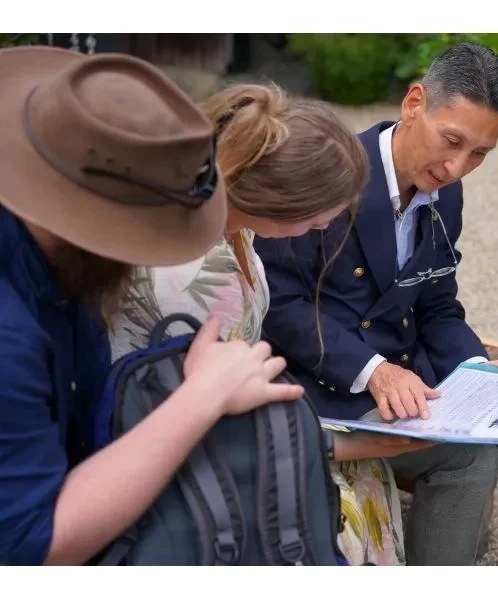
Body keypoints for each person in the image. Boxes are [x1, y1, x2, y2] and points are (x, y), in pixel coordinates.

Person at [254, 42, 498, 565]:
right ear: (414, 103)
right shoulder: (329, 168)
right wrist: (374, 371)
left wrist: (478, 367)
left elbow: (438, 304)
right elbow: (278, 303)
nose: (458, 167)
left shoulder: (446, 191)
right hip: (331, 391)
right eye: (453, 141)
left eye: (480, 153)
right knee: (470, 456)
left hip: (414, 379)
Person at [0, 46, 306, 566]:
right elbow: (31, 547)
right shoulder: (10, 333)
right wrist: (201, 396)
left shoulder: (62, 266)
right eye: (154, 232)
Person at [107, 81, 424, 566]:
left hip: (207, 415)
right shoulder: (202, 275)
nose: (330, 225)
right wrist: (349, 443)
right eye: (324, 216)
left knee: (370, 469)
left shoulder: (224, 221)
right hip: (171, 451)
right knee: (357, 482)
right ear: (282, 200)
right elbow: (208, 421)